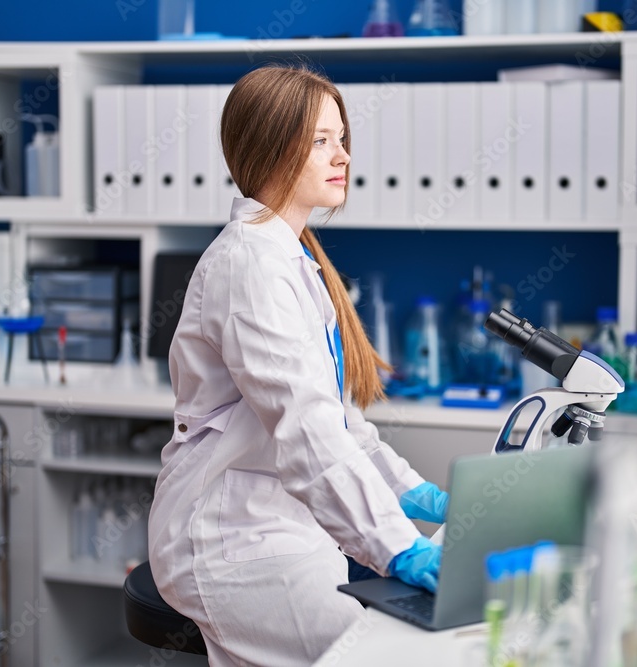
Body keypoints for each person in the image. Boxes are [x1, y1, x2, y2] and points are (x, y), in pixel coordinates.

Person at [147, 65, 449, 666]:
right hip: (229, 539)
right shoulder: (249, 265)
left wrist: (415, 493)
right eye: (319, 141)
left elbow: (337, 423)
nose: (341, 156)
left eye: (341, 139)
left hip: (283, 524)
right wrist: (396, 548)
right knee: (385, 656)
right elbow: (305, 428)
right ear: (268, 147)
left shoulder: (288, 255)